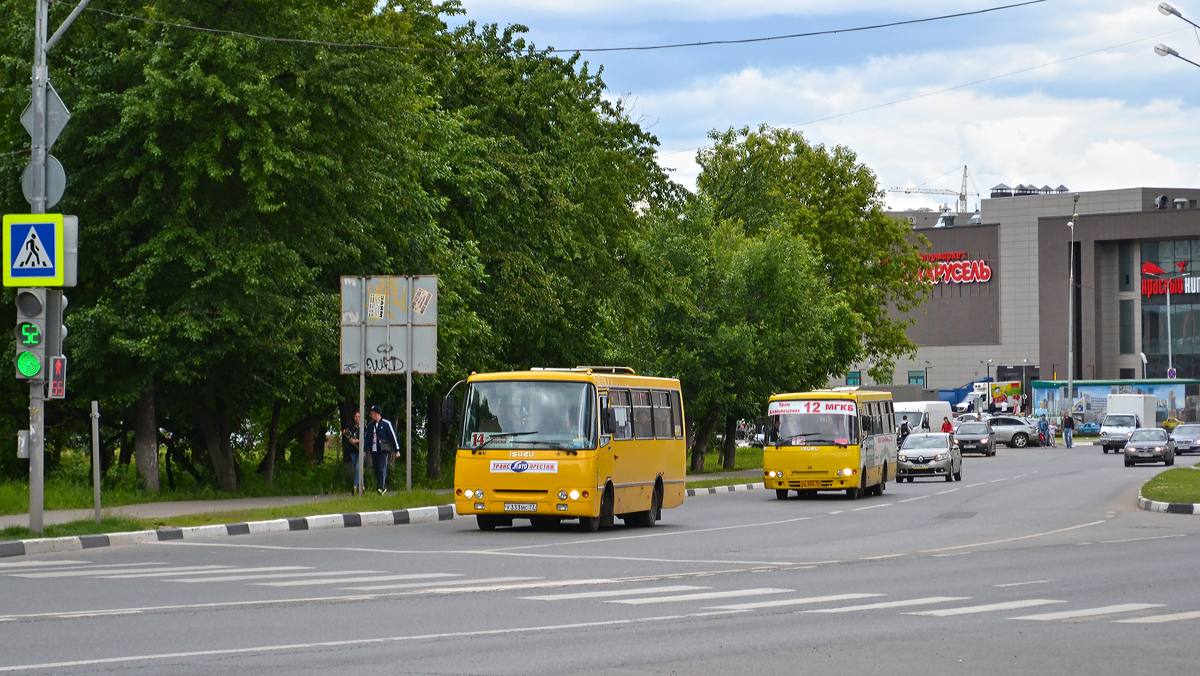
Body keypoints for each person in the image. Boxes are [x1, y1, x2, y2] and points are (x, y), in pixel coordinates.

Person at [366, 405, 400, 495]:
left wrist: (397, 450)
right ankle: (380, 485)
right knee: (377, 469)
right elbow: (367, 439)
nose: (370, 415)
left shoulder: (386, 424)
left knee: (382, 468)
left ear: (376, 414)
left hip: (383, 450)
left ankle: (381, 487)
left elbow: (393, 437)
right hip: (374, 450)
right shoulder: (370, 426)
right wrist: (364, 450)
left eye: (372, 414)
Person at [342, 411, 362, 490]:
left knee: (358, 468)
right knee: (357, 469)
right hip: (353, 450)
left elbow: (365, 439)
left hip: (361, 451)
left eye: (359, 416)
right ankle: (362, 487)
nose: (357, 418)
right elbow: (346, 434)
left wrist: (356, 441)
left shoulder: (364, 427)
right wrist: (349, 438)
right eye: (356, 416)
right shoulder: (351, 428)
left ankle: (355, 487)